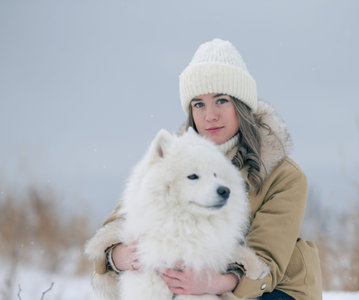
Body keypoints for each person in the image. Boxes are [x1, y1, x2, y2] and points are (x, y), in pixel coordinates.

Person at [85, 38, 322, 300]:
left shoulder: (285, 176)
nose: (210, 115)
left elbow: (267, 260)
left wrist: (215, 282)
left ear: (241, 105)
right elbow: (126, 218)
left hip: (275, 290)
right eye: (199, 104)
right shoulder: (174, 160)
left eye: (221, 100)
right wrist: (120, 255)